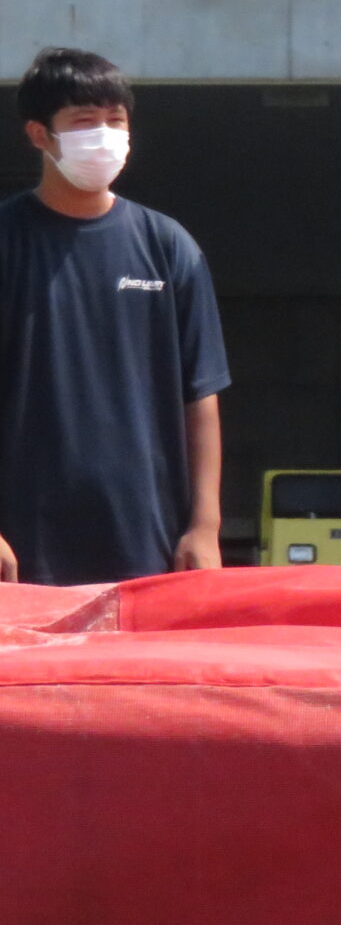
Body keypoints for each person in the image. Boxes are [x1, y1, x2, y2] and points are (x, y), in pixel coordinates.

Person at [0, 49, 229, 586]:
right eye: (84, 121)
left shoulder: (168, 245)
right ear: (39, 134)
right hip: (21, 543)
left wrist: (205, 526)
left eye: (116, 120)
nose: (104, 136)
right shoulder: (7, 241)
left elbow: (201, 396)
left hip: (147, 537)